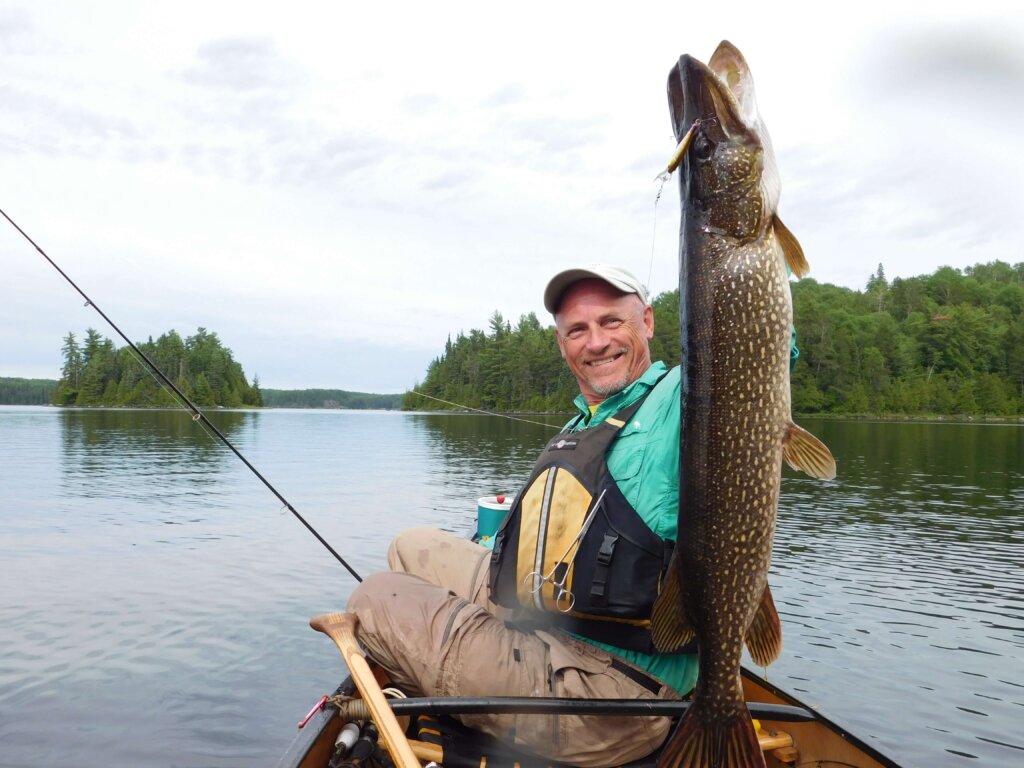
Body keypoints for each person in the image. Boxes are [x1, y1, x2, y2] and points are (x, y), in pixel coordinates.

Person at [347, 265, 696, 768]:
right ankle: (470, 649)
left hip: (615, 695)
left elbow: (756, 352)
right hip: (556, 620)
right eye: (578, 330)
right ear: (561, 344)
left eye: (611, 322)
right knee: (409, 545)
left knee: (372, 598)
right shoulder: (592, 417)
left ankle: (450, 673)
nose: (596, 342)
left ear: (647, 321)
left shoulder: (684, 400)